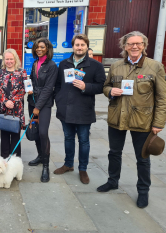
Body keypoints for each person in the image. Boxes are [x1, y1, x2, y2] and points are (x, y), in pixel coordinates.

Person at [97, 31, 166, 208]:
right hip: (117, 117)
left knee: (142, 158)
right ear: (124, 46)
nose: (134, 47)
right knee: (114, 153)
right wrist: (110, 92)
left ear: (144, 45)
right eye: (130, 44)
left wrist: (158, 123)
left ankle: (143, 191)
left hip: (142, 119)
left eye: (138, 44)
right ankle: (113, 181)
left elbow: (161, 97)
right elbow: (106, 87)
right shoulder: (116, 66)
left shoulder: (155, 66)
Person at [54, 34, 106, 184]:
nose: (79, 47)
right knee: (68, 138)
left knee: (83, 141)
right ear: (73, 46)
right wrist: (59, 98)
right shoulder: (64, 63)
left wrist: (86, 87)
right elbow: (58, 84)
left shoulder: (96, 66)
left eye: (82, 45)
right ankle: (68, 164)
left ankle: (83, 169)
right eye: (77, 45)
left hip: (83, 109)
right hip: (66, 108)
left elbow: (101, 86)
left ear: (87, 47)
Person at [27, 38, 58, 183]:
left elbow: (48, 89)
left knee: (43, 132)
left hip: (43, 104)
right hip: (32, 101)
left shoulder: (51, 65)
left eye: (42, 47)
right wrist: (28, 89)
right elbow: (33, 81)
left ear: (47, 48)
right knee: (36, 131)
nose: (39, 49)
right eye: (37, 47)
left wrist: (38, 107)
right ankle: (40, 156)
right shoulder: (35, 63)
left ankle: (46, 166)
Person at [0, 49, 27, 158]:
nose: (9, 61)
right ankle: (4, 160)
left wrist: (13, 101)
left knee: (16, 135)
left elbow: (23, 89)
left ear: (15, 59)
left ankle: (15, 161)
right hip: (3, 108)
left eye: (11, 59)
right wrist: (5, 101)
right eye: (7, 59)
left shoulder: (22, 72)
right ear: (4, 60)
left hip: (16, 108)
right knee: (4, 136)